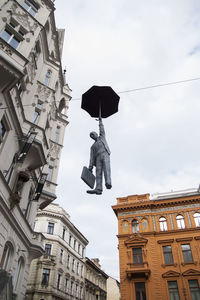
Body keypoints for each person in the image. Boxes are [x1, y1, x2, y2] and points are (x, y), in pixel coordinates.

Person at [87, 117, 112, 195]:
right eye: (91, 136)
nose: (92, 136)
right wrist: (90, 167)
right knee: (98, 173)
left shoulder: (102, 137)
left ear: (96, 134)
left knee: (106, 169)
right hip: (97, 158)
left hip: (105, 154)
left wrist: (100, 122)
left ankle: (108, 182)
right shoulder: (92, 147)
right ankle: (98, 188)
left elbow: (102, 130)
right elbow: (91, 158)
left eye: (93, 134)